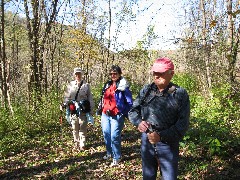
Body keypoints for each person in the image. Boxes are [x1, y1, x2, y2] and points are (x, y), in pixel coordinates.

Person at [128, 57, 190, 180]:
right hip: (147, 141)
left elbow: (182, 125)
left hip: (168, 145)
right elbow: (133, 111)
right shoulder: (146, 90)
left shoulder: (180, 94)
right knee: (148, 176)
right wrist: (139, 122)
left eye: (161, 73)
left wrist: (161, 136)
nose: (156, 75)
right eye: (155, 72)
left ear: (171, 74)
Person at [97, 65, 133, 166]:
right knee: (106, 134)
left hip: (116, 115)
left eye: (115, 73)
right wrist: (101, 107)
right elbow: (103, 97)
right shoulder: (107, 84)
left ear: (119, 74)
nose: (113, 75)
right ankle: (109, 153)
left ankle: (117, 157)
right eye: (111, 73)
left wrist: (122, 112)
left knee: (114, 136)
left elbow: (129, 102)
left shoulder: (123, 86)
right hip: (105, 114)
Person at [62, 67, 95, 151]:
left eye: (79, 73)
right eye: (76, 74)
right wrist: (64, 104)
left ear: (82, 74)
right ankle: (76, 142)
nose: (78, 75)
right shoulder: (70, 85)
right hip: (73, 109)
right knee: (74, 127)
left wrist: (91, 110)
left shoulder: (86, 85)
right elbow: (66, 97)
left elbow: (90, 98)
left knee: (83, 126)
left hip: (83, 109)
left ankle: (82, 144)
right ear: (74, 75)